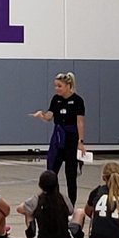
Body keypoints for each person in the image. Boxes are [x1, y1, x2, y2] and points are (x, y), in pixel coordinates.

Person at [31, 72, 87, 203]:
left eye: (59, 86)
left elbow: (80, 122)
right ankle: (52, 201)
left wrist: (81, 141)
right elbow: (49, 117)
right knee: (52, 171)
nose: (57, 89)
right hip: (58, 139)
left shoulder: (78, 101)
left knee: (70, 175)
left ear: (68, 85)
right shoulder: (56, 99)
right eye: (55, 86)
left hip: (71, 140)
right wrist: (41, 115)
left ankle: (71, 205)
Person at [18, 170, 84, 238]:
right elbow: (71, 211)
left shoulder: (37, 199)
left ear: (40, 185)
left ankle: (36, 236)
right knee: (80, 212)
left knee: (28, 213)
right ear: (57, 184)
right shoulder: (63, 198)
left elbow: (19, 209)